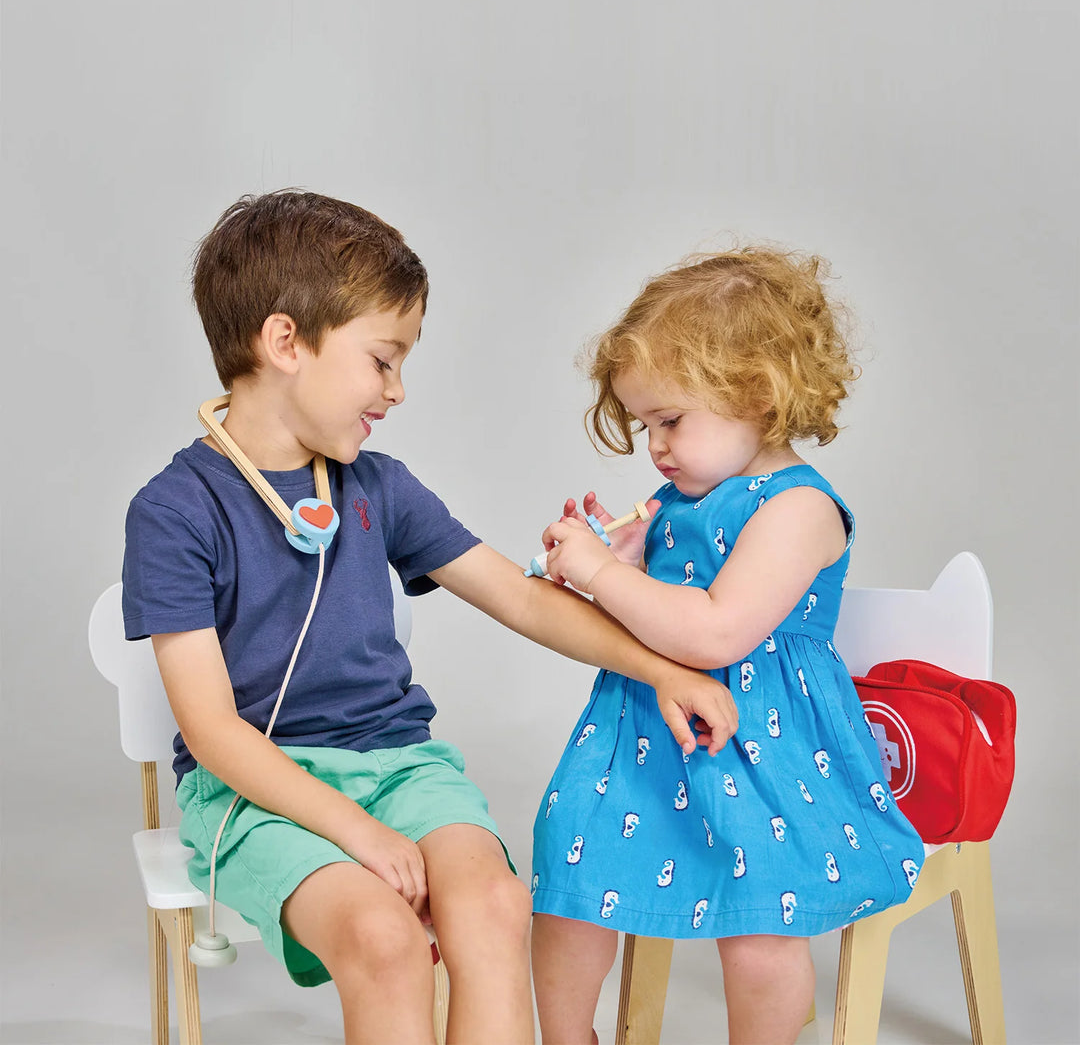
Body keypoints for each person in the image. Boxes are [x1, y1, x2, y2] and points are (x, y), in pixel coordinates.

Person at [121, 190, 738, 1045]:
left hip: (400, 767)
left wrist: (664, 670)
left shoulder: (379, 487)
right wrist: (359, 833)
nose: (398, 390)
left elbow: (522, 597)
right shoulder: (175, 513)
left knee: (494, 903)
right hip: (252, 791)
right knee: (383, 937)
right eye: (383, 360)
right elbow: (214, 732)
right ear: (285, 342)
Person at [529, 247, 926, 1045]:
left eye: (670, 420)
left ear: (758, 394)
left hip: (759, 744)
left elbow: (716, 630)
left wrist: (604, 573)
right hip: (641, 734)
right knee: (569, 879)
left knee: (759, 931)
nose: (655, 447)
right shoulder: (679, 499)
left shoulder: (799, 508)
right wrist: (624, 568)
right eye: (645, 425)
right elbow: (655, 619)